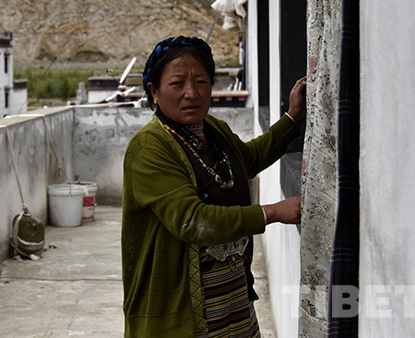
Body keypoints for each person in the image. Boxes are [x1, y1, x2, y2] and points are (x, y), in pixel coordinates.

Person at [121, 36, 306, 337]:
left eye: (201, 82)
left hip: (232, 292)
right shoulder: (148, 147)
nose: (191, 93)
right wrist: (270, 213)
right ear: (154, 91)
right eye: (177, 83)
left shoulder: (214, 131)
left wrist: (293, 119)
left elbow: (247, 159)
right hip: (185, 305)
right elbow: (192, 220)